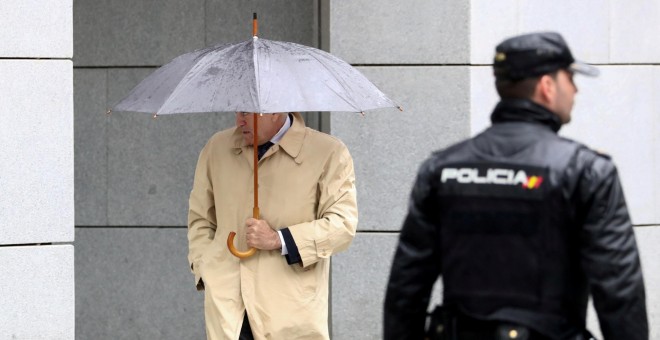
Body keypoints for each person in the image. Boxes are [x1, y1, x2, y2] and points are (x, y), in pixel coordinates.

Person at [384, 32, 648, 340]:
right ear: (547, 87)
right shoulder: (586, 171)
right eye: (570, 78)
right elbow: (618, 290)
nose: (575, 89)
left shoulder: (442, 168)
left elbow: (407, 286)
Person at [188, 111, 358, 339]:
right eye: (238, 111)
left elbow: (342, 225)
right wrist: (205, 269)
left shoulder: (328, 152)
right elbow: (200, 218)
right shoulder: (217, 148)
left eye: (247, 113)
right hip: (228, 308)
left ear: (275, 110)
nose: (239, 120)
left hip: (290, 310)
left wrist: (279, 239)